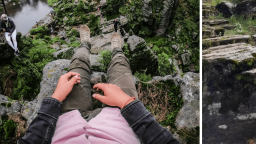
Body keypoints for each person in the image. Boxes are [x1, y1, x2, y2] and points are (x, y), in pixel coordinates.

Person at [18, 25, 178, 144]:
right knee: (120, 68)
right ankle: (117, 51)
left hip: (68, 120)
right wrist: (127, 103)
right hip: (121, 121)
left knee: (77, 68)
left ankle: (85, 45)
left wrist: (55, 98)